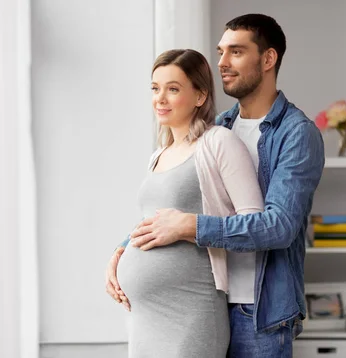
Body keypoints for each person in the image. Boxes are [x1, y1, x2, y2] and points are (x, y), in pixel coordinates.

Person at [109, 14, 326, 357]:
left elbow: (280, 226)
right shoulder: (218, 128)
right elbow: (177, 206)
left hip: (258, 310)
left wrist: (190, 227)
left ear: (268, 59)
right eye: (221, 51)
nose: (222, 62)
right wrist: (123, 250)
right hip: (208, 299)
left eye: (236, 52)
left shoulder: (296, 134)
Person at [112, 48, 265, 358]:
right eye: (155, 89)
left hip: (190, 310)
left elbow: (255, 223)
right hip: (145, 319)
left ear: (199, 96)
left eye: (173, 89)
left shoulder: (218, 142)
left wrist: (189, 228)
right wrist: (118, 256)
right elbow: (153, 222)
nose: (160, 98)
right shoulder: (159, 155)